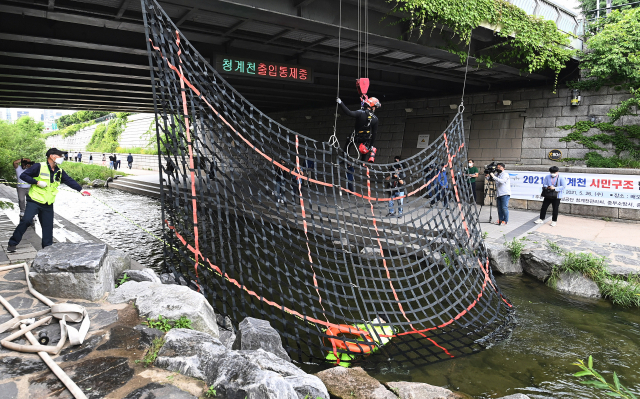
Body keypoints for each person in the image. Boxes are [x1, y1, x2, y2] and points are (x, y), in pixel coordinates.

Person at [6, 148, 91, 252]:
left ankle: (47, 249)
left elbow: (69, 180)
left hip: (48, 203)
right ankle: (12, 243)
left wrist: (81, 190)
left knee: (48, 227)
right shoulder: (39, 166)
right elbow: (23, 175)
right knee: (26, 220)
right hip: (35, 200)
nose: (62, 158)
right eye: (60, 155)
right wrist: (36, 182)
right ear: (52, 156)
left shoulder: (59, 171)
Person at [336, 97, 380, 163]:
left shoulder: (360, 113)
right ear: (372, 106)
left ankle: (344, 159)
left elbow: (349, 112)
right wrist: (371, 145)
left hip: (356, 136)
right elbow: (374, 133)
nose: (375, 108)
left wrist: (340, 103)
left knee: (348, 142)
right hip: (366, 138)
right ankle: (362, 162)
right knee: (366, 147)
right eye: (375, 107)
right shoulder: (375, 119)